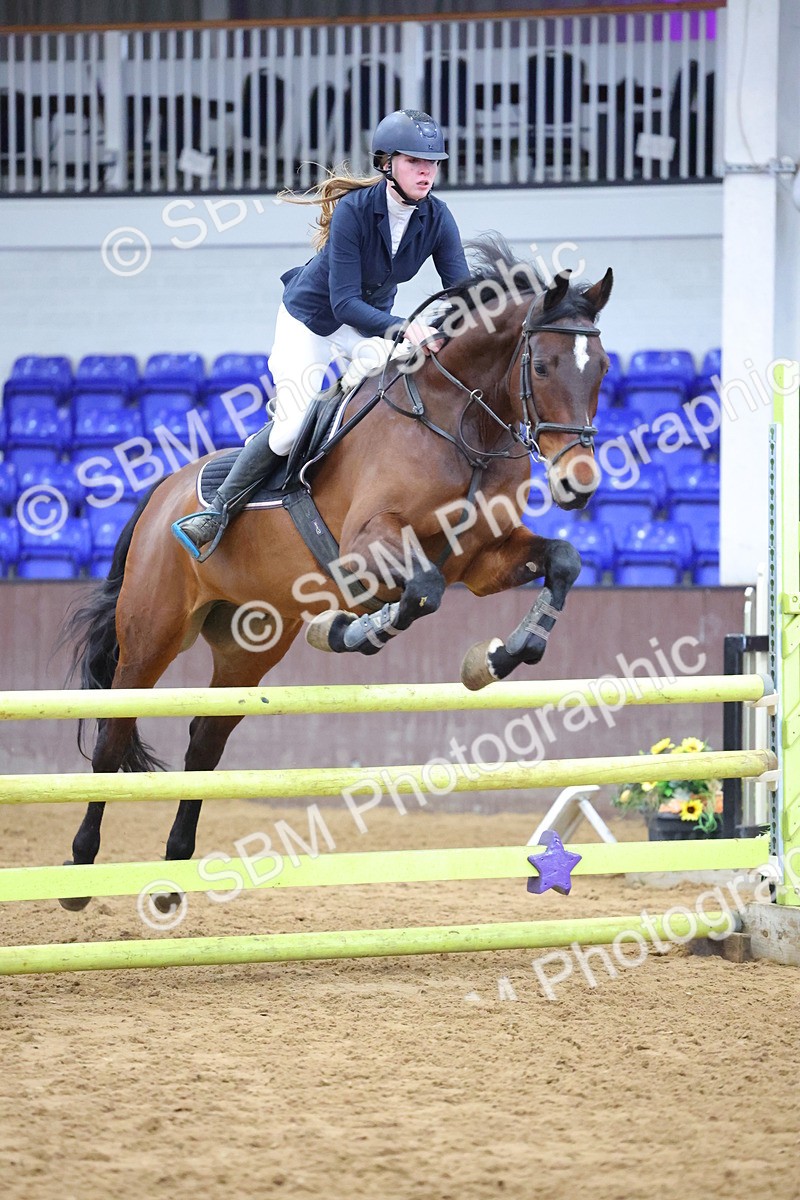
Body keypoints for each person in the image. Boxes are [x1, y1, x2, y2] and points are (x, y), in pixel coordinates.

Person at [172, 108, 470, 560]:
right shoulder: (355, 211)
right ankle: (216, 510)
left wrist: (493, 312)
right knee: (291, 428)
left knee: (393, 396)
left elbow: (461, 290)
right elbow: (344, 303)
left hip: (367, 324)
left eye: (433, 162)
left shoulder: (437, 217)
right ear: (386, 163)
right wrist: (406, 328)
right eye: (414, 161)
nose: (427, 171)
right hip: (312, 320)